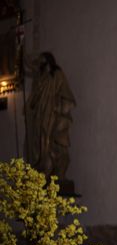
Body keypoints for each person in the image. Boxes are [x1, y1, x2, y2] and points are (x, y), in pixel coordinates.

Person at [25, 52, 75, 182]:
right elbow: (34, 99)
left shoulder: (57, 75)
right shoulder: (40, 79)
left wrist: (60, 109)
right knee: (40, 144)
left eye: (42, 61)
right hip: (41, 117)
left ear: (48, 61)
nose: (41, 64)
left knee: (53, 144)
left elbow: (66, 95)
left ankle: (55, 173)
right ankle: (42, 171)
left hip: (52, 116)